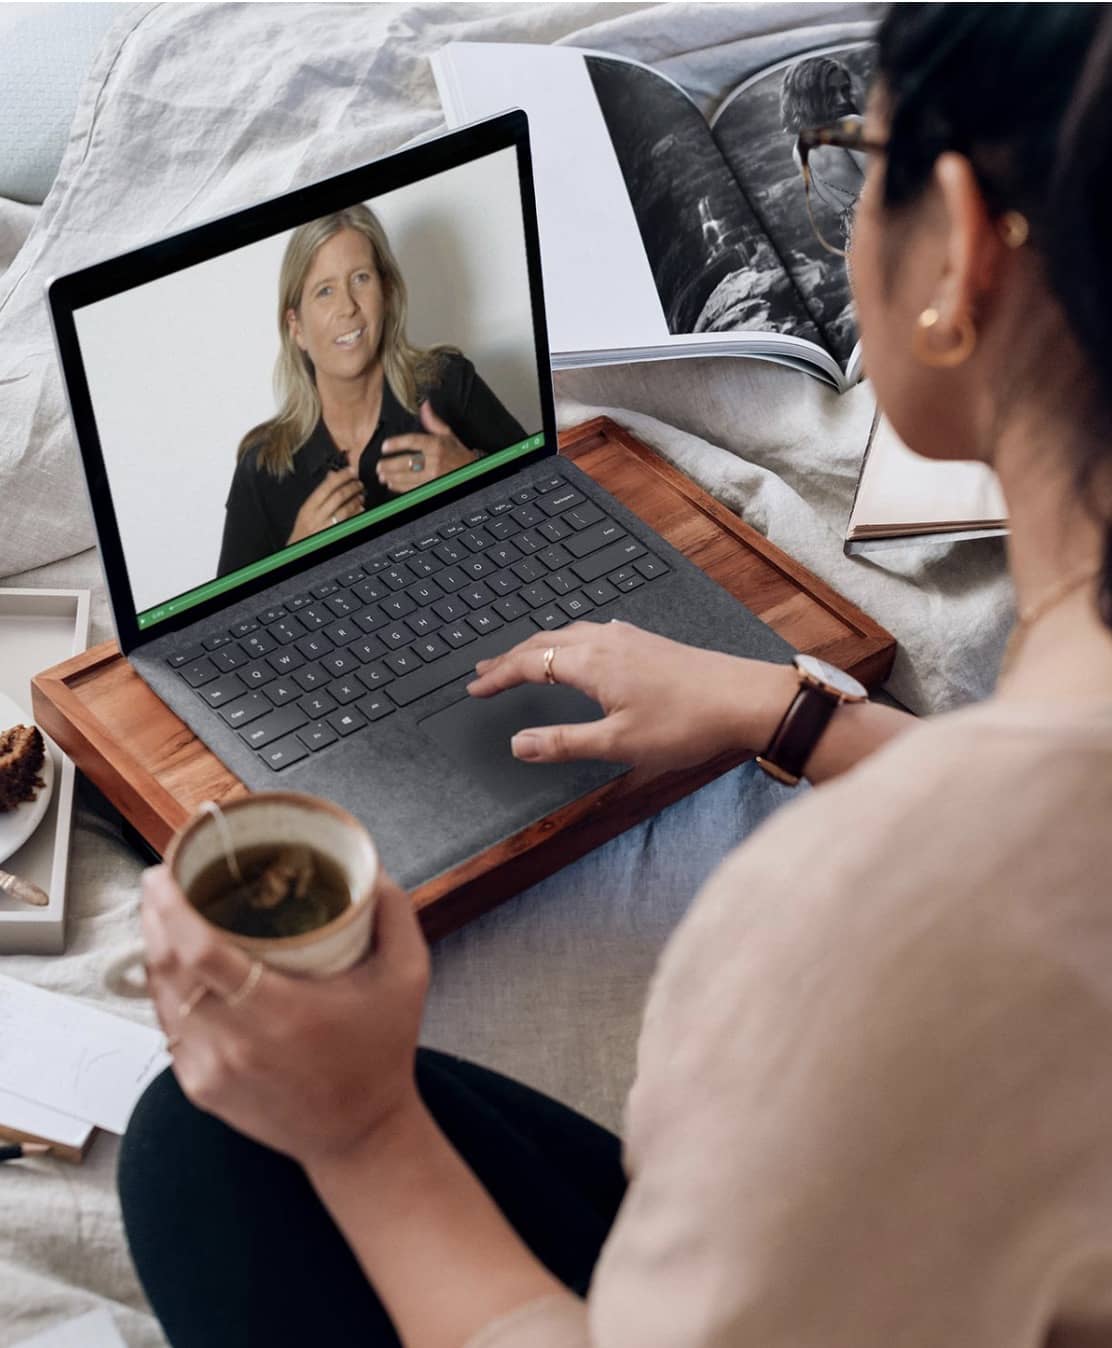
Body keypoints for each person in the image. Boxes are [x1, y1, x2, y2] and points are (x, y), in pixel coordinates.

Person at [120, 6, 1112, 1345]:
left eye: (853, 148)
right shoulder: (260, 455)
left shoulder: (847, 928)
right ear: (295, 322)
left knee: (202, 1146)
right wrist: (794, 705)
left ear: (960, 245)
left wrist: (362, 1134)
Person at [216, 204, 525, 577]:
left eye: (360, 279)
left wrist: (472, 471)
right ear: (295, 326)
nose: (347, 307)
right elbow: (228, 630)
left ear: (387, 292)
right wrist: (294, 555)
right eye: (325, 291)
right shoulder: (263, 467)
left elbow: (547, 509)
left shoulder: (448, 385)